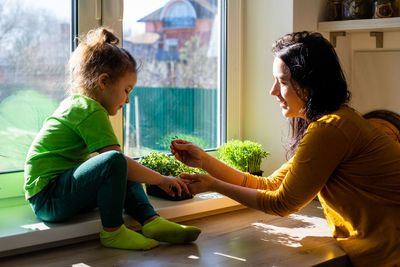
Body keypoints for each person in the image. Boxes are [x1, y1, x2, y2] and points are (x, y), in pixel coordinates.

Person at [170, 31, 400, 266]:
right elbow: (269, 185)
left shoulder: (331, 128)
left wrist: (214, 185)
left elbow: (282, 203)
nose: (273, 91)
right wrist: (205, 161)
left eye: (282, 81)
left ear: (309, 85)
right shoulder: (336, 122)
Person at [24, 27, 201, 251]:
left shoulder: (80, 104)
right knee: (116, 161)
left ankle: (151, 221)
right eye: (126, 90)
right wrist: (162, 180)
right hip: (48, 199)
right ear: (104, 82)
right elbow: (114, 160)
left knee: (123, 164)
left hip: (57, 194)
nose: (128, 100)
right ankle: (113, 232)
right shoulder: (89, 109)